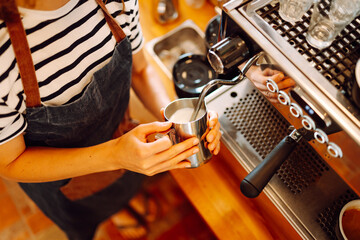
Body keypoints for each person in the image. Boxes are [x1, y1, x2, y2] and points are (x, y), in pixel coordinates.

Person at [0, 0, 294, 239]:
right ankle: (112, 212)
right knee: (87, 213)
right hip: (60, 176)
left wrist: (182, 122)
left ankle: (122, 203)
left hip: (119, 134)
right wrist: (115, 155)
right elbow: (11, 162)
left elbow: (141, 70)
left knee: (125, 184)